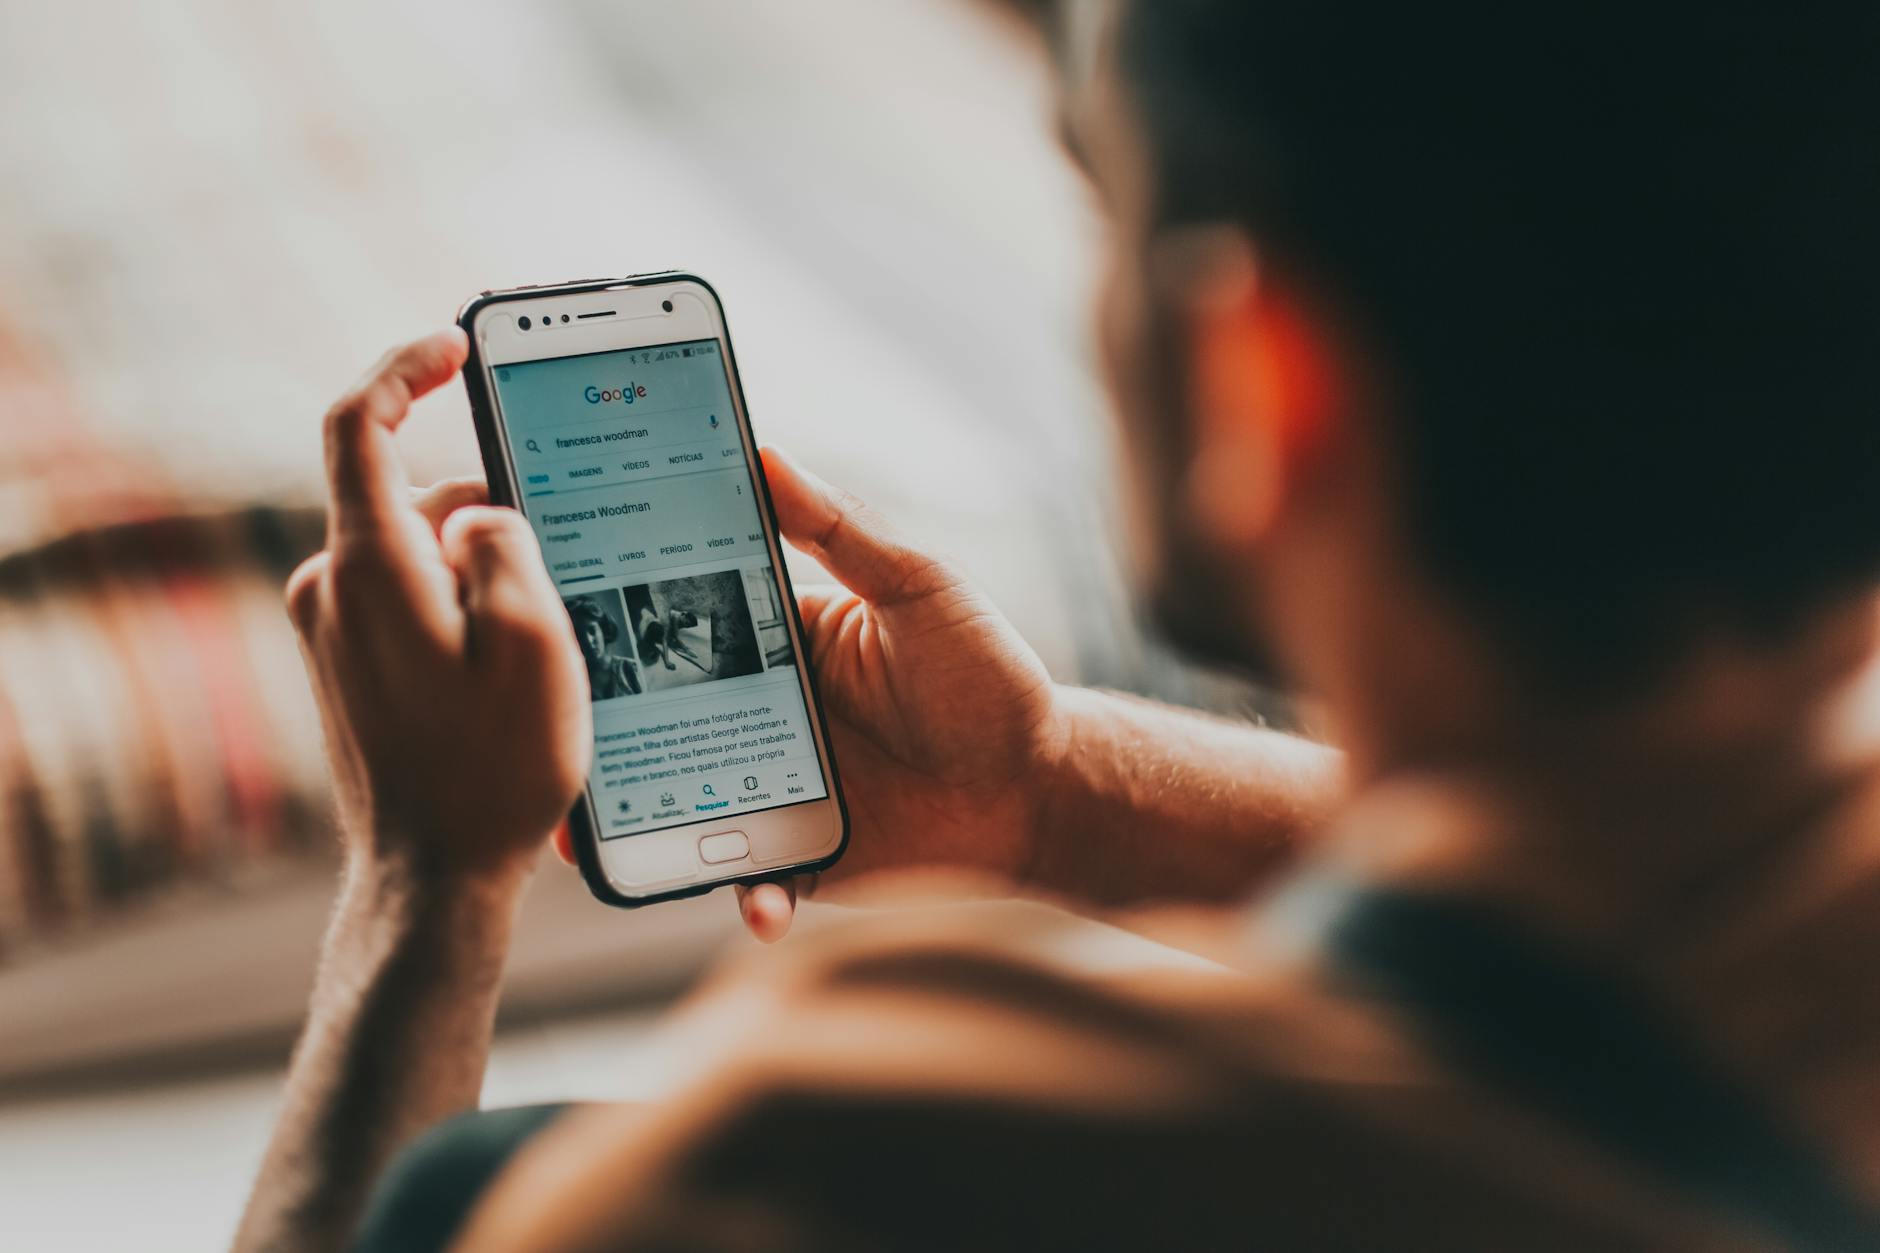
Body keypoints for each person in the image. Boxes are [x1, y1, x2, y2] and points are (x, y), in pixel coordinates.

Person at [235, 2, 1880, 1249]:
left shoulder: (841, 1148)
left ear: (1263, 377)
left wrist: (427, 878)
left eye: (1104, 220)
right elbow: (1616, 873)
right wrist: (1044, 791)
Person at [566, 596, 642, 699]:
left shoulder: (630, 668)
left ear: (603, 629)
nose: (588, 641)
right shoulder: (573, 682)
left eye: (592, 631)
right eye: (579, 635)